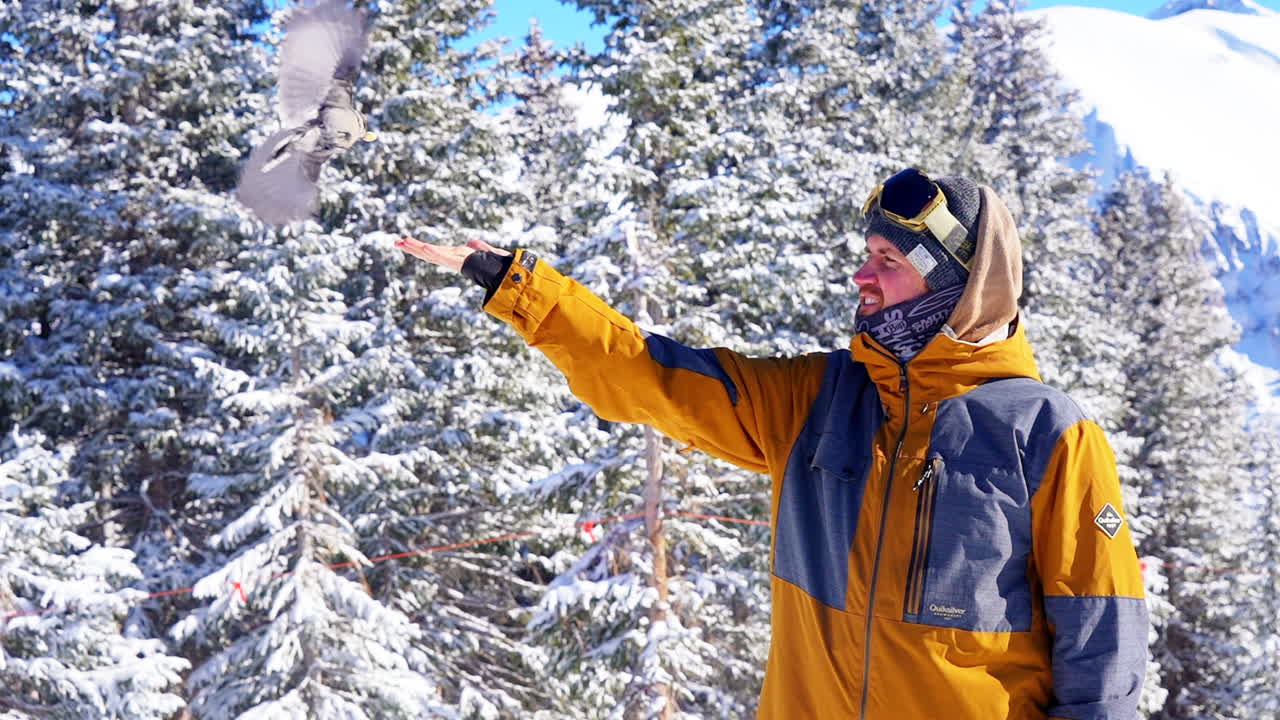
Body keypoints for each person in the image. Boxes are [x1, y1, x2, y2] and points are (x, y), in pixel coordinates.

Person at [395, 168, 1148, 719]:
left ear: (960, 284)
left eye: (888, 261)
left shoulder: (1048, 433)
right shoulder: (819, 401)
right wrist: (520, 288)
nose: (862, 274)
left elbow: (1103, 650)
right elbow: (650, 375)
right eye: (866, 254)